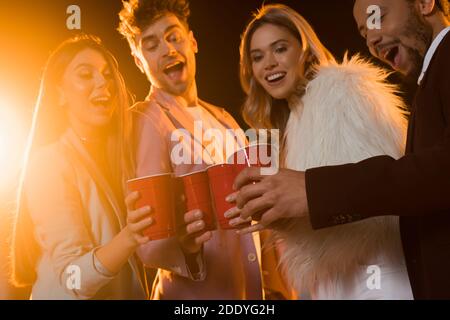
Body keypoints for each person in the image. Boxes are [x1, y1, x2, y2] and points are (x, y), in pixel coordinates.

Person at [231, 0, 450, 299]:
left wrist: (308, 191)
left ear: (304, 50)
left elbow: (397, 191)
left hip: (375, 277)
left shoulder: (342, 92)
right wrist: (284, 217)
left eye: (280, 48)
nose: (372, 39)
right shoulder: (288, 124)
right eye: (257, 57)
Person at [118, 0, 292, 299]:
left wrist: (274, 285)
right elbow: (149, 240)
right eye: (151, 45)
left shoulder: (223, 118)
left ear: (192, 42)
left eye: (174, 37)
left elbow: (257, 201)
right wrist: (186, 245)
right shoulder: (145, 119)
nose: (168, 49)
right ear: (138, 61)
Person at [10, 34, 151, 300]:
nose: (103, 83)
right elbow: (73, 278)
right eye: (86, 75)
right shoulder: (48, 163)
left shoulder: (117, 158)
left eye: (108, 74)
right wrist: (130, 236)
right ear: (59, 93)